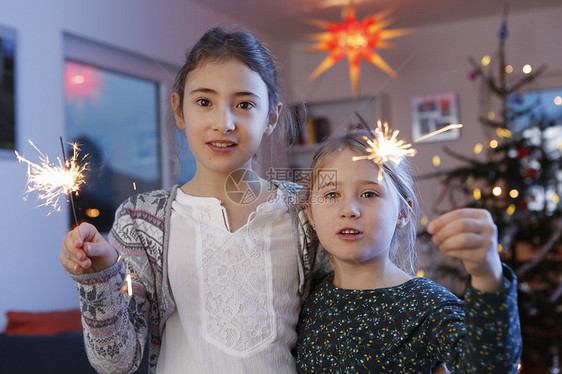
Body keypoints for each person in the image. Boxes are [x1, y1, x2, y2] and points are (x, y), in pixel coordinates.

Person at [60, 26, 324, 374]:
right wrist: (100, 275)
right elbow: (115, 362)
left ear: (271, 117)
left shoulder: (309, 210)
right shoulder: (140, 221)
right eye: (204, 102)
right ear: (180, 110)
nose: (223, 122)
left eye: (244, 104)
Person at [296, 131, 522, 373]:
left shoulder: (428, 305)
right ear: (310, 213)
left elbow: (490, 367)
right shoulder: (303, 298)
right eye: (332, 195)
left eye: (369, 194)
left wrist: (487, 274)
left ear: (403, 212)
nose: (349, 210)